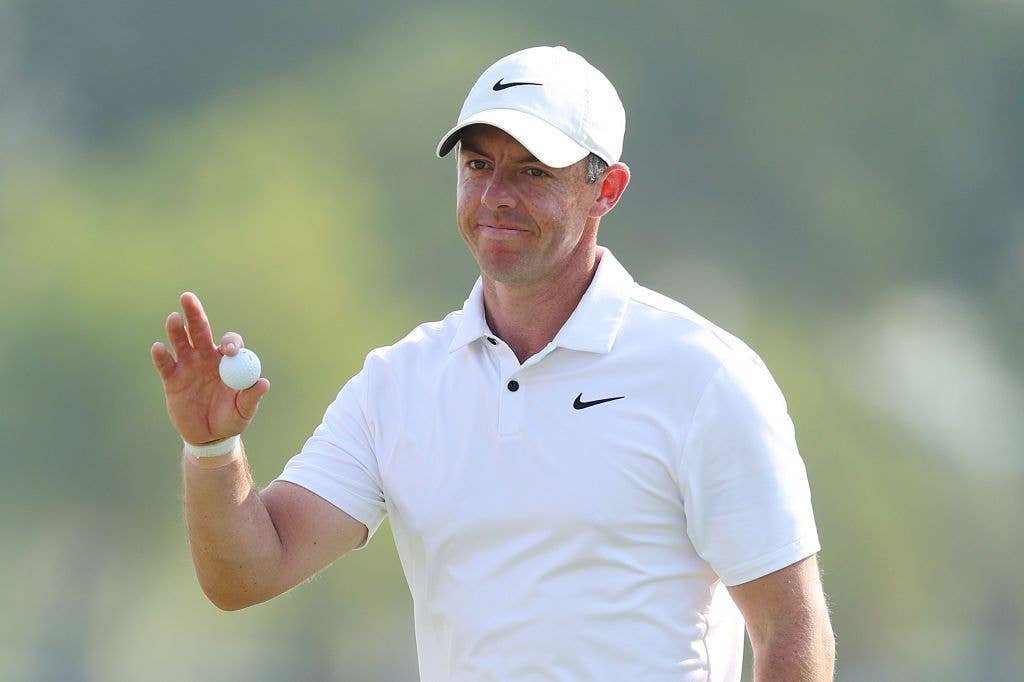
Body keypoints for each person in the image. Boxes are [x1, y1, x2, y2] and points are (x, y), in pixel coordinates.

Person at [152, 46, 835, 681]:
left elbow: (792, 632)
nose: (496, 196)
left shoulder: (703, 377)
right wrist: (213, 450)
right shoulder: (399, 384)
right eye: (478, 166)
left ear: (608, 189)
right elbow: (249, 573)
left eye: (533, 171)